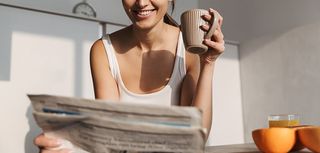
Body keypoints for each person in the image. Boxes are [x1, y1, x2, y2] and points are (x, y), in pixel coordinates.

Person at [34, 0, 225, 152]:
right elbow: (109, 137)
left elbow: (195, 138)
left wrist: (208, 62)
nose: (141, 3)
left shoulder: (188, 47)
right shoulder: (103, 50)